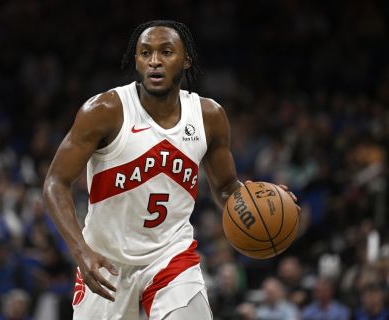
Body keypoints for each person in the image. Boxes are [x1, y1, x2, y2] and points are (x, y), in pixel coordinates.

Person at [43, 20, 298, 320]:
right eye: (145, 53)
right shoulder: (105, 111)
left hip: (170, 256)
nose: (154, 61)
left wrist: (263, 200)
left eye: (166, 52)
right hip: (105, 261)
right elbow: (55, 182)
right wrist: (80, 250)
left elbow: (227, 188)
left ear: (186, 59)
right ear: (136, 61)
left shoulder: (209, 116)